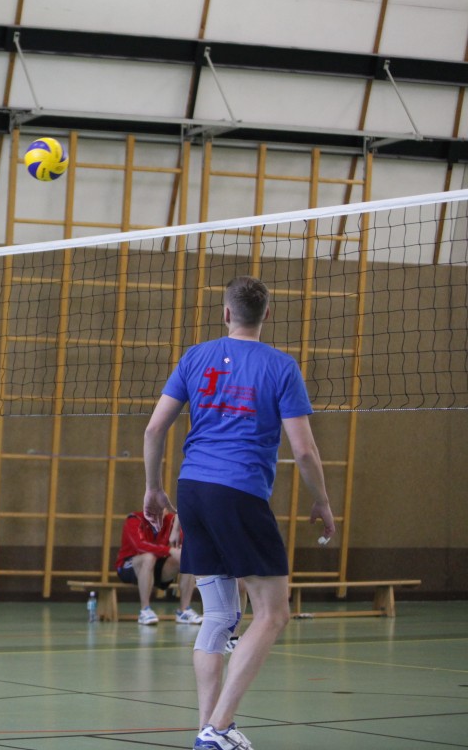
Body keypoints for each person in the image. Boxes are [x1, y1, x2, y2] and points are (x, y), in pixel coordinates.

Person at [143, 276, 336, 750]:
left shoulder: (195, 357)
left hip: (193, 491)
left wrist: (153, 488)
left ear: (226, 313)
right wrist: (322, 500)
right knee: (273, 613)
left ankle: (208, 732)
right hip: (239, 493)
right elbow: (304, 450)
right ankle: (220, 725)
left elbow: (153, 429)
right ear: (266, 314)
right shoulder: (281, 366)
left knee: (219, 615)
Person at [114, 510, 203, 625]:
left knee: (188, 557)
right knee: (148, 558)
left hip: (155, 565)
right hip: (129, 565)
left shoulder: (170, 521)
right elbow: (140, 546)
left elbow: (186, 540)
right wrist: (169, 550)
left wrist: (182, 546)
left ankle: (184, 611)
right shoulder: (134, 520)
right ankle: (145, 610)